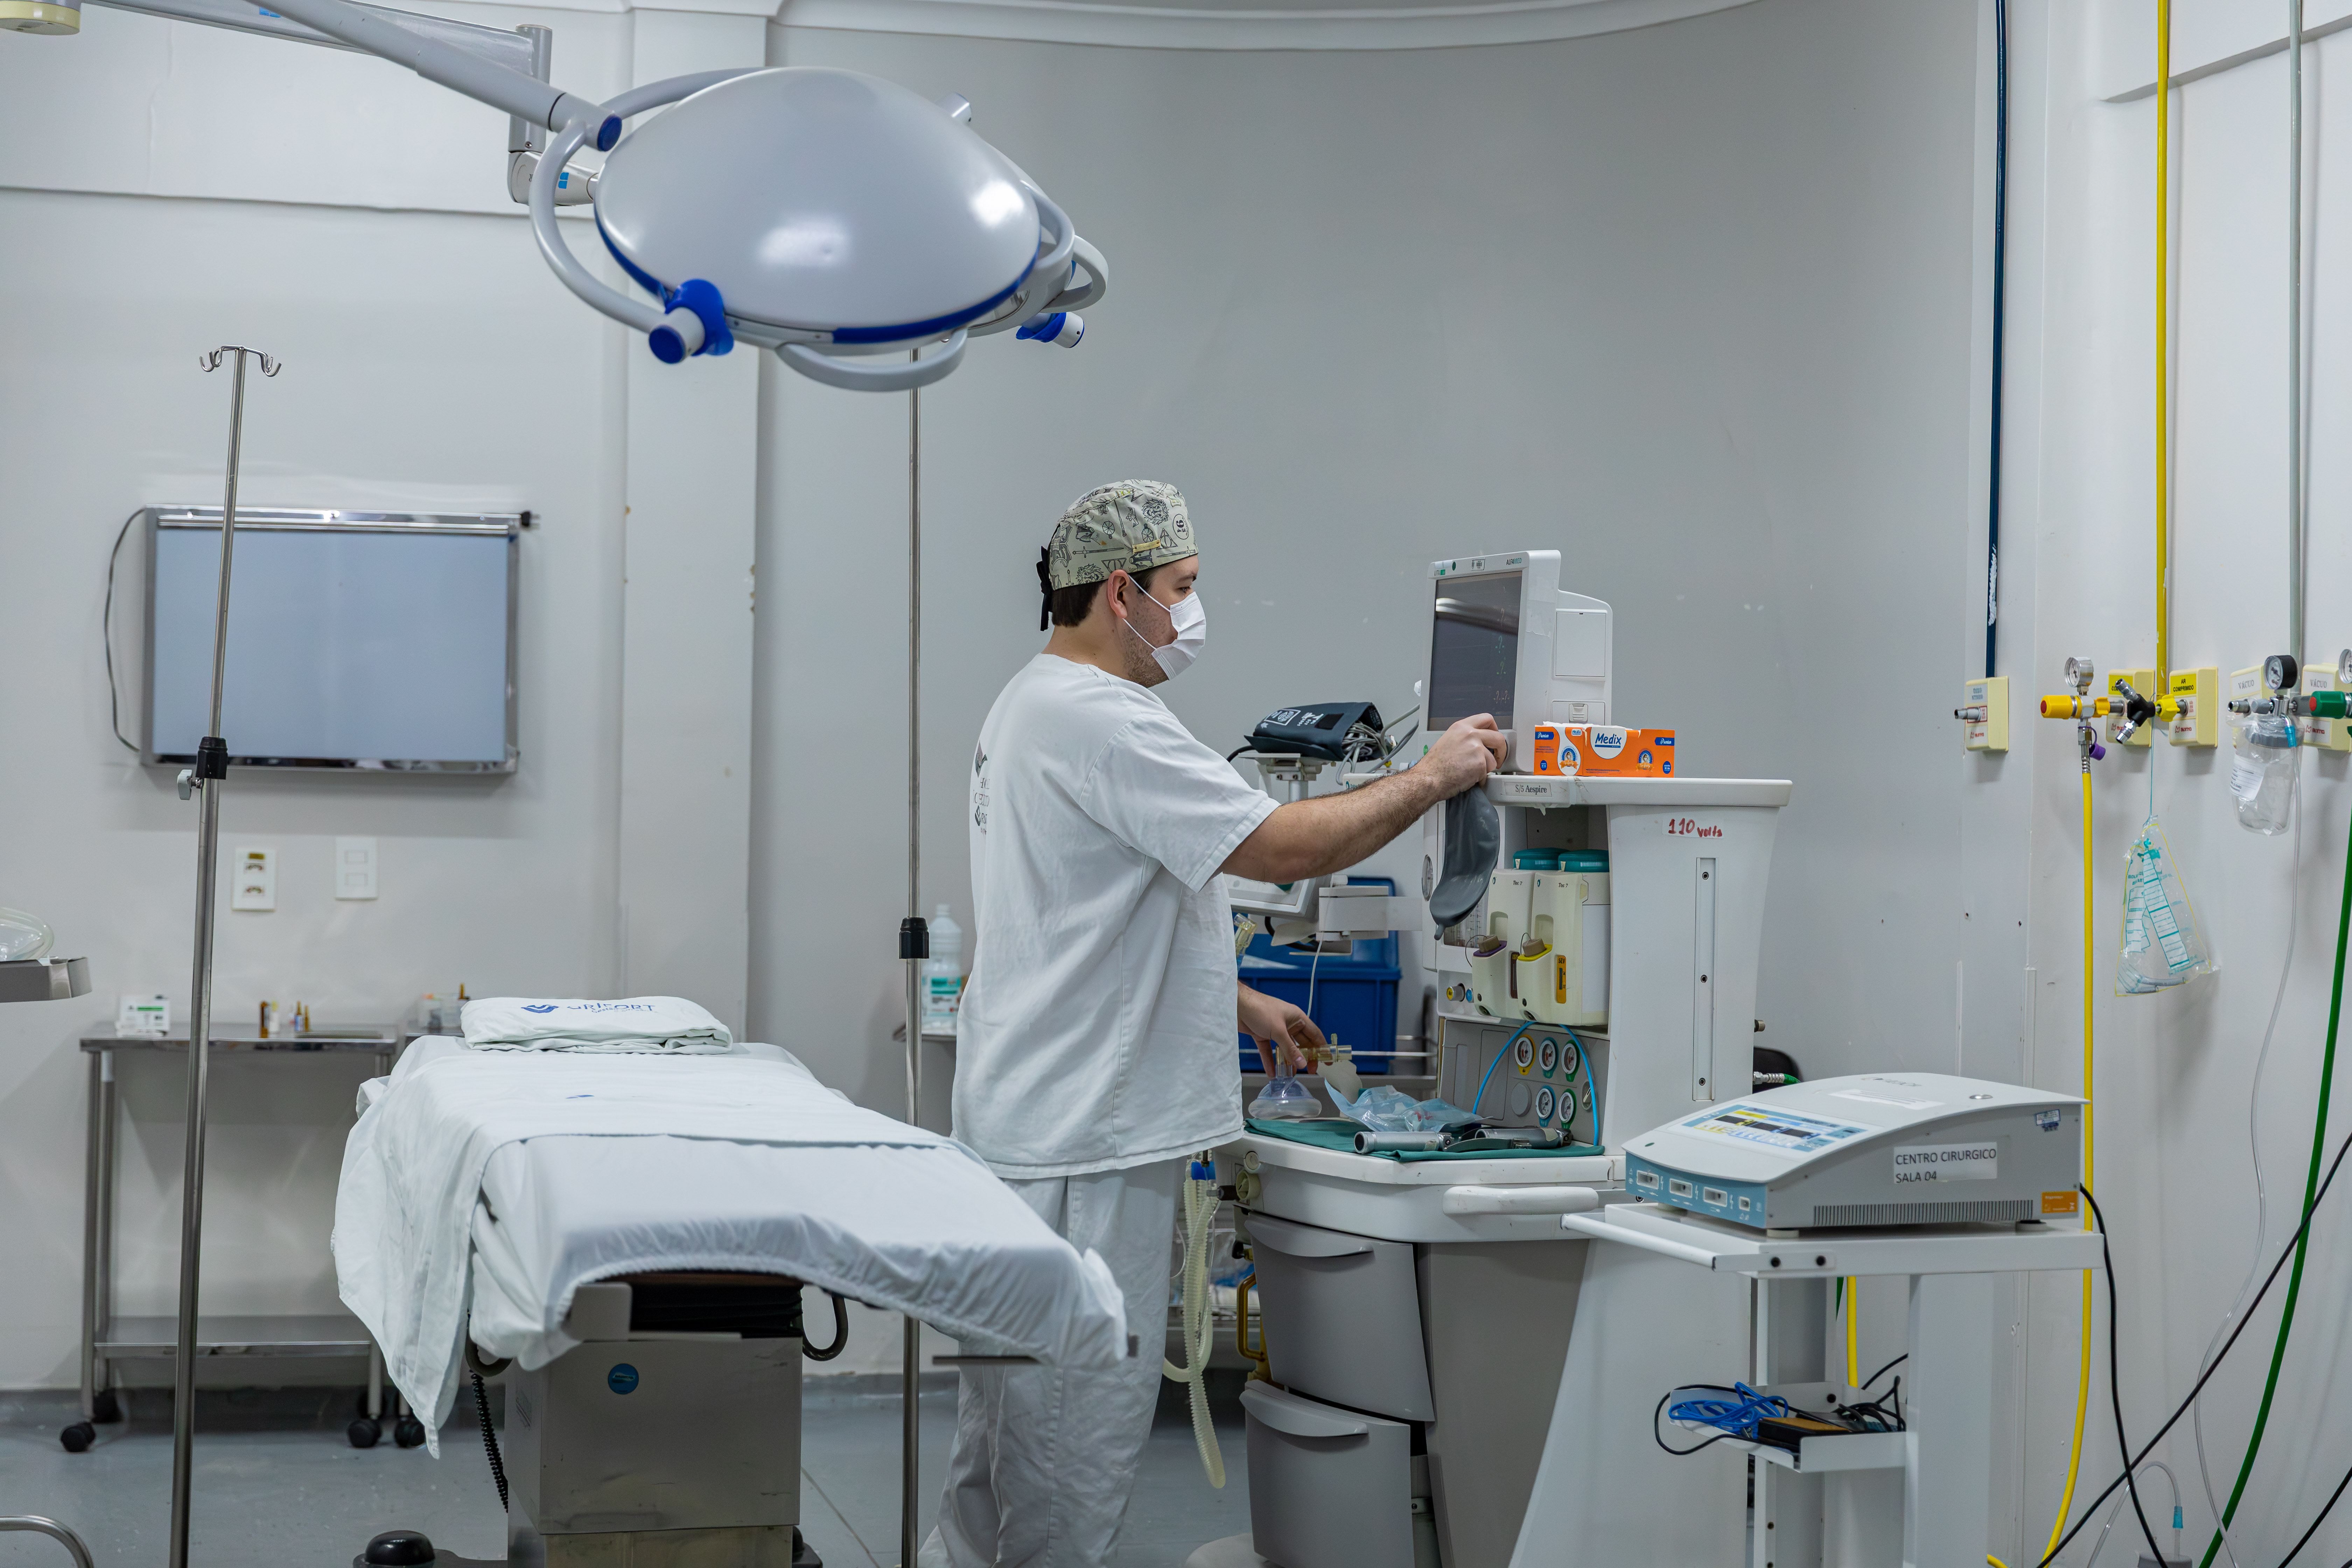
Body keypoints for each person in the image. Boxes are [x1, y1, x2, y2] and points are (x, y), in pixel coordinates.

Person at [923, 480, 1505, 1568]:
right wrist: (1430, 778)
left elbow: (1080, 911)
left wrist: (1228, 996)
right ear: (1122, 592)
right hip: (1087, 1143)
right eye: (1182, 588)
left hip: (1031, 1120)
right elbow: (1281, 847)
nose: (1192, 613)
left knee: (1000, 1446)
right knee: (1065, 1451)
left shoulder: (1029, 702)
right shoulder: (1104, 719)